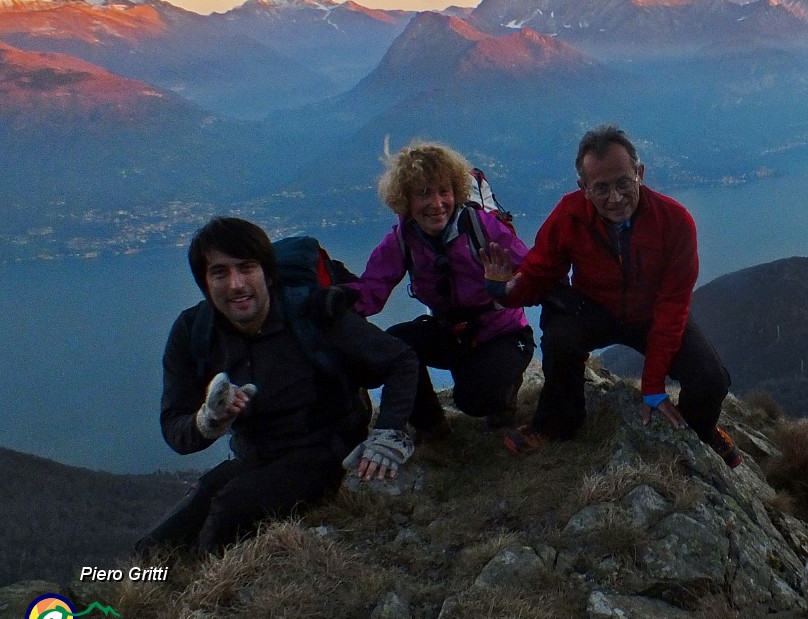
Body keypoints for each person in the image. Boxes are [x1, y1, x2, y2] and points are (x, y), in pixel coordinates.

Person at [138, 217, 418, 556]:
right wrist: (209, 420)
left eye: (246, 268)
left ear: (268, 275)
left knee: (226, 517)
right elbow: (174, 427)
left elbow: (401, 359)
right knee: (155, 547)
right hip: (257, 455)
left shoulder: (311, 312)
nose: (236, 284)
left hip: (326, 450)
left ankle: (209, 598)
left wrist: (387, 435)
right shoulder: (192, 332)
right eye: (220, 273)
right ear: (204, 283)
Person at [481, 124, 739, 467]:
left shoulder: (675, 222)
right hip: (595, 307)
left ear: (640, 174)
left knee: (710, 380)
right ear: (583, 188)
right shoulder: (569, 215)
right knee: (560, 338)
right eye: (600, 188)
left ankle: (701, 429)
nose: (615, 198)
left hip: (652, 315)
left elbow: (674, 305)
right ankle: (557, 423)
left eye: (623, 183)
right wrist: (502, 290)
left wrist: (652, 386)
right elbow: (541, 272)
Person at [350, 141, 535, 436]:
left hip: (503, 334)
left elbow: (533, 270)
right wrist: (333, 301)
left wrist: (506, 286)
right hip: (453, 334)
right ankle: (431, 428)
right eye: (423, 193)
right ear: (405, 200)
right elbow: (371, 288)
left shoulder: (481, 227)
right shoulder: (402, 240)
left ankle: (503, 401)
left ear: (456, 192)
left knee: (475, 400)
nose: (437, 204)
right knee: (395, 344)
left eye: (444, 191)